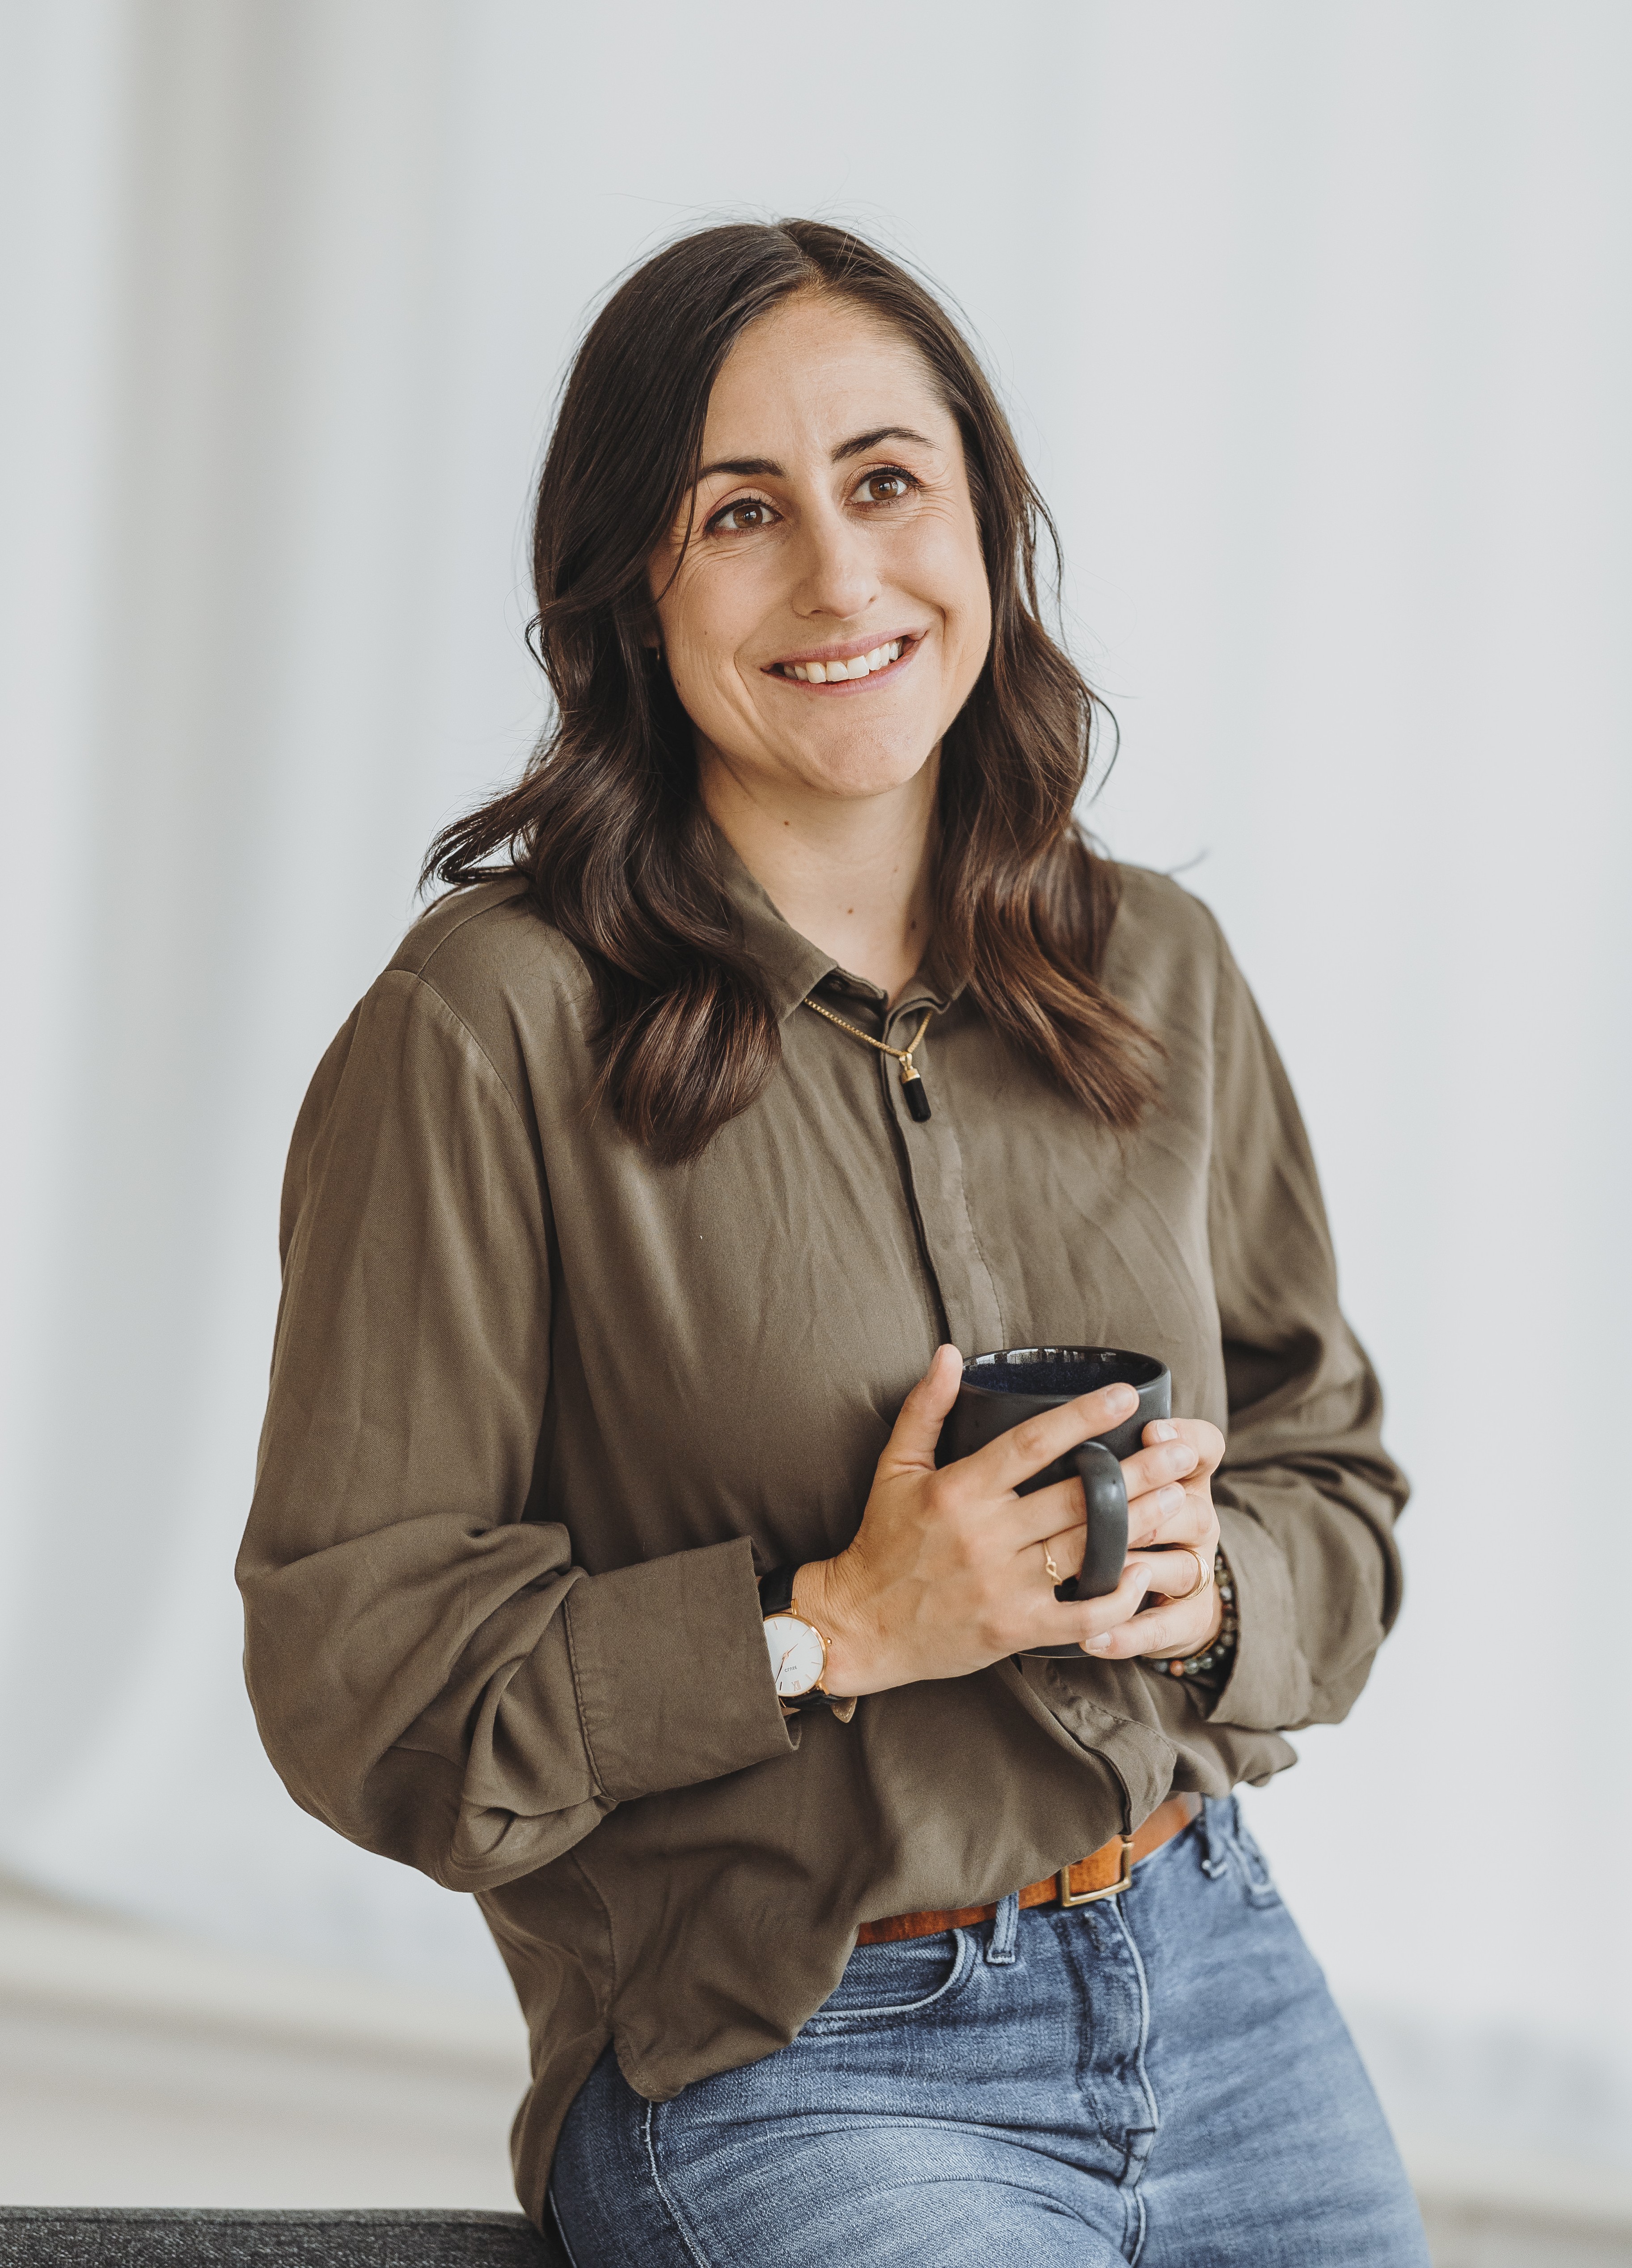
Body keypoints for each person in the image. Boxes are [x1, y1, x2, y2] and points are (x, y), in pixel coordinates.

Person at [238, 220, 1429, 2266]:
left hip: (1222, 1979)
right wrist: (828, 1627)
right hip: (796, 2050)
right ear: (630, 589)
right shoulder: (485, 1024)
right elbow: (361, 1669)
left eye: (886, 481)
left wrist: (1208, 1582)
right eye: (739, 512)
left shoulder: (1155, 965)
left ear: (985, 523)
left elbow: (1333, 1475)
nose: (840, 576)